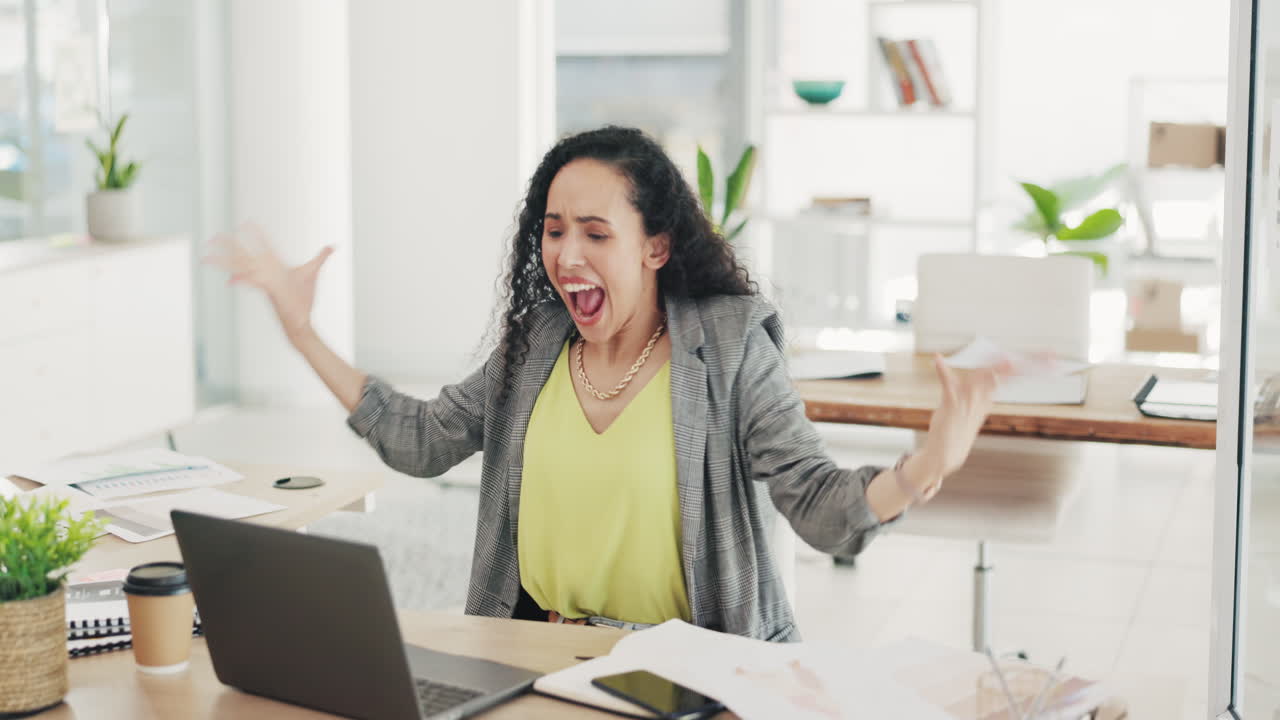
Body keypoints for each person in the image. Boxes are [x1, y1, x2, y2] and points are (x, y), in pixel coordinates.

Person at [207, 125, 1004, 642]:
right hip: (536, 660)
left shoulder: (727, 348)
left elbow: (820, 507)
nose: (567, 256)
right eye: (554, 232)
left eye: (596, 233)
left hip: (688, 682)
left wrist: (923, 469)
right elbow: (420, 441)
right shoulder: (537, 345)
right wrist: (301, 330)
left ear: (656, 246)